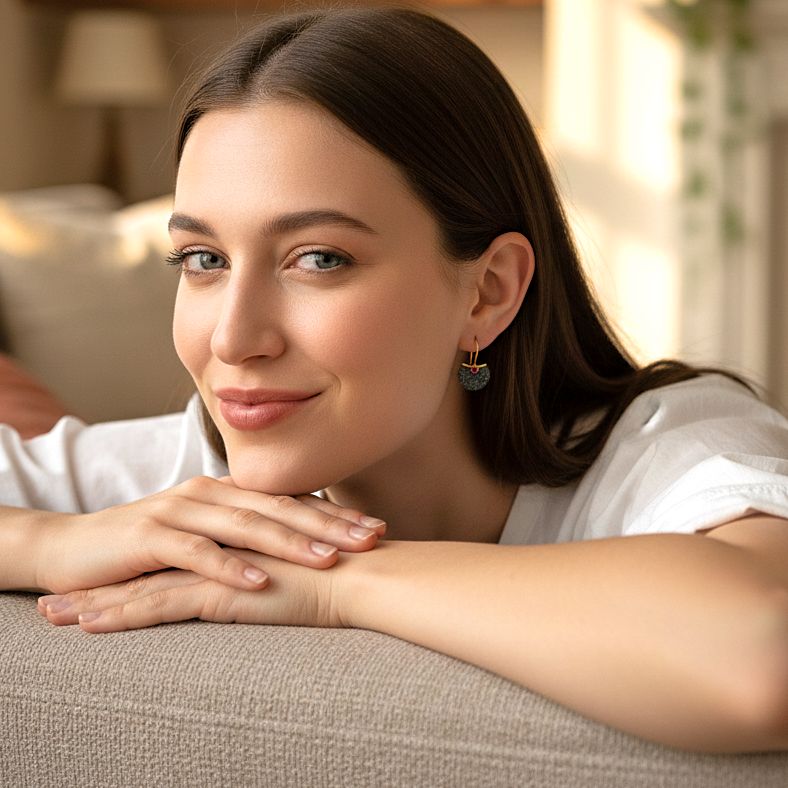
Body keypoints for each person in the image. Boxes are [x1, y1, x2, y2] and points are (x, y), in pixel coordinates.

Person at [1, 5, 787, 755]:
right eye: (204, 261)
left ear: (488, 292)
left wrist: (339, 583)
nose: (234, 339)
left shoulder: (668, 444)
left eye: (319, 258)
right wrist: (50, 540)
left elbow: (765, 655)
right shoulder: (190, 479)